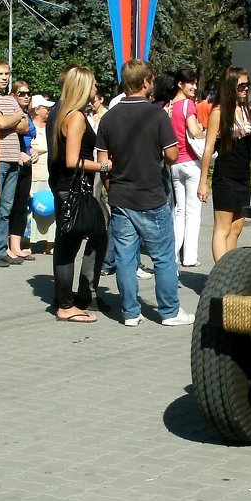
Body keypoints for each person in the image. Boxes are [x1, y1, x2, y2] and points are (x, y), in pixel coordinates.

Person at [96, 59, 191, 326]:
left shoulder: (108, 117)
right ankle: (170, 311)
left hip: (121, 196)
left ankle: (130, 312)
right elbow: (172, 155)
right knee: (162, 257)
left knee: (126, 257)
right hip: (151, 195)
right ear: (147, 82)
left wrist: (109, 188)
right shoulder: (157, 114)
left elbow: (103, 163)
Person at [48, 66, 108, 323]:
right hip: (73, 189)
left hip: (64, 187)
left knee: (73, 241)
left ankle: (74, 296)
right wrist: (104, 166)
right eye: (93, 85)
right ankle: (66, 303)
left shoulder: (59, 113)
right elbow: (73, 160)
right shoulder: (76, 117)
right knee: (72, 244)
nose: (96, 89)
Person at [198, 67, 251, 262]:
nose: (245, 89)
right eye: (241, 85)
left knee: (236, 228)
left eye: (248, 85)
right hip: (225, 175)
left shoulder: (247, 109)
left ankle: (230, 272)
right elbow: (208, 148)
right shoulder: (219, 111)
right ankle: (220, 275)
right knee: (222, 228)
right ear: (230, 86)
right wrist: (203, 181)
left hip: (243, 174)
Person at [0, 60, 28, 266]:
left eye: (7, 74)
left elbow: (25, 127)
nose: (4, 77)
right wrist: (15, 118)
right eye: (0, 74)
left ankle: (2, 249)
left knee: (6, 208)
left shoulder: (10, 100)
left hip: (13, 159)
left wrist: (10, 120)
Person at [169, 68, 205, 268]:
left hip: (175, 164)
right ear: (180, 84)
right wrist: (203, 131)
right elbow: (194, 131)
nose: (194, 86)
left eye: (195, 82)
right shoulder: (188, 105)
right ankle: (190, 256)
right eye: (190, 82)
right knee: (192, 211)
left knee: (179, 210)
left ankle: (172, 254)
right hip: (191, 162)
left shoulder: (169, 107)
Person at [7, 80, 37, 261]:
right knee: (8, 205)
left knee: (21, 205)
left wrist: (32, 151)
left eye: (28, 93)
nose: (26, 96)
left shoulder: (28, 115)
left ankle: (16, 247)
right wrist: (18, 153)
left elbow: (31, 139)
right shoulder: (11, 114)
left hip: (27, 163)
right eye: (22, 93)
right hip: (13, 162)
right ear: (13, 96)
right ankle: (4, 246)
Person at [28, 94, 55, 252]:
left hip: (49, 174)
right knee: (33, 210)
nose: (49, 110)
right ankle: (29, 242)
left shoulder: (51, 127)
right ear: (37, 110)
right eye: (46, 108)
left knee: (50, 209)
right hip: (34, 174)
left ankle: (50, 243)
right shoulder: (29, 127)